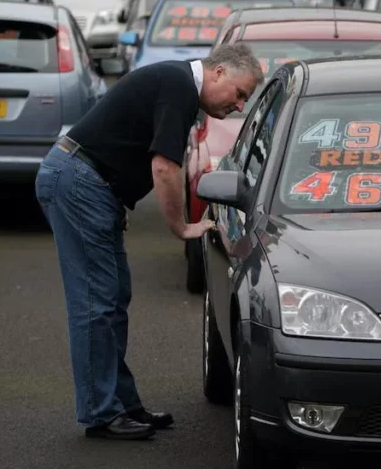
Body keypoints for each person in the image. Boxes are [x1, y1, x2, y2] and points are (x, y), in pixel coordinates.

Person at [34, 43, 264, 440]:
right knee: (96, 304)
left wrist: (116, 198)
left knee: (113, 298)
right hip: (78, 181)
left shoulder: (178, 85)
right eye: (240, 93)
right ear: (219, 72)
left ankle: (122, 403)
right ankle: (101, 412)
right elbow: (164, 166)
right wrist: (182, 227)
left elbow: (124, 136)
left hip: (92, 184)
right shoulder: (179, 88)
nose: (240, 105)